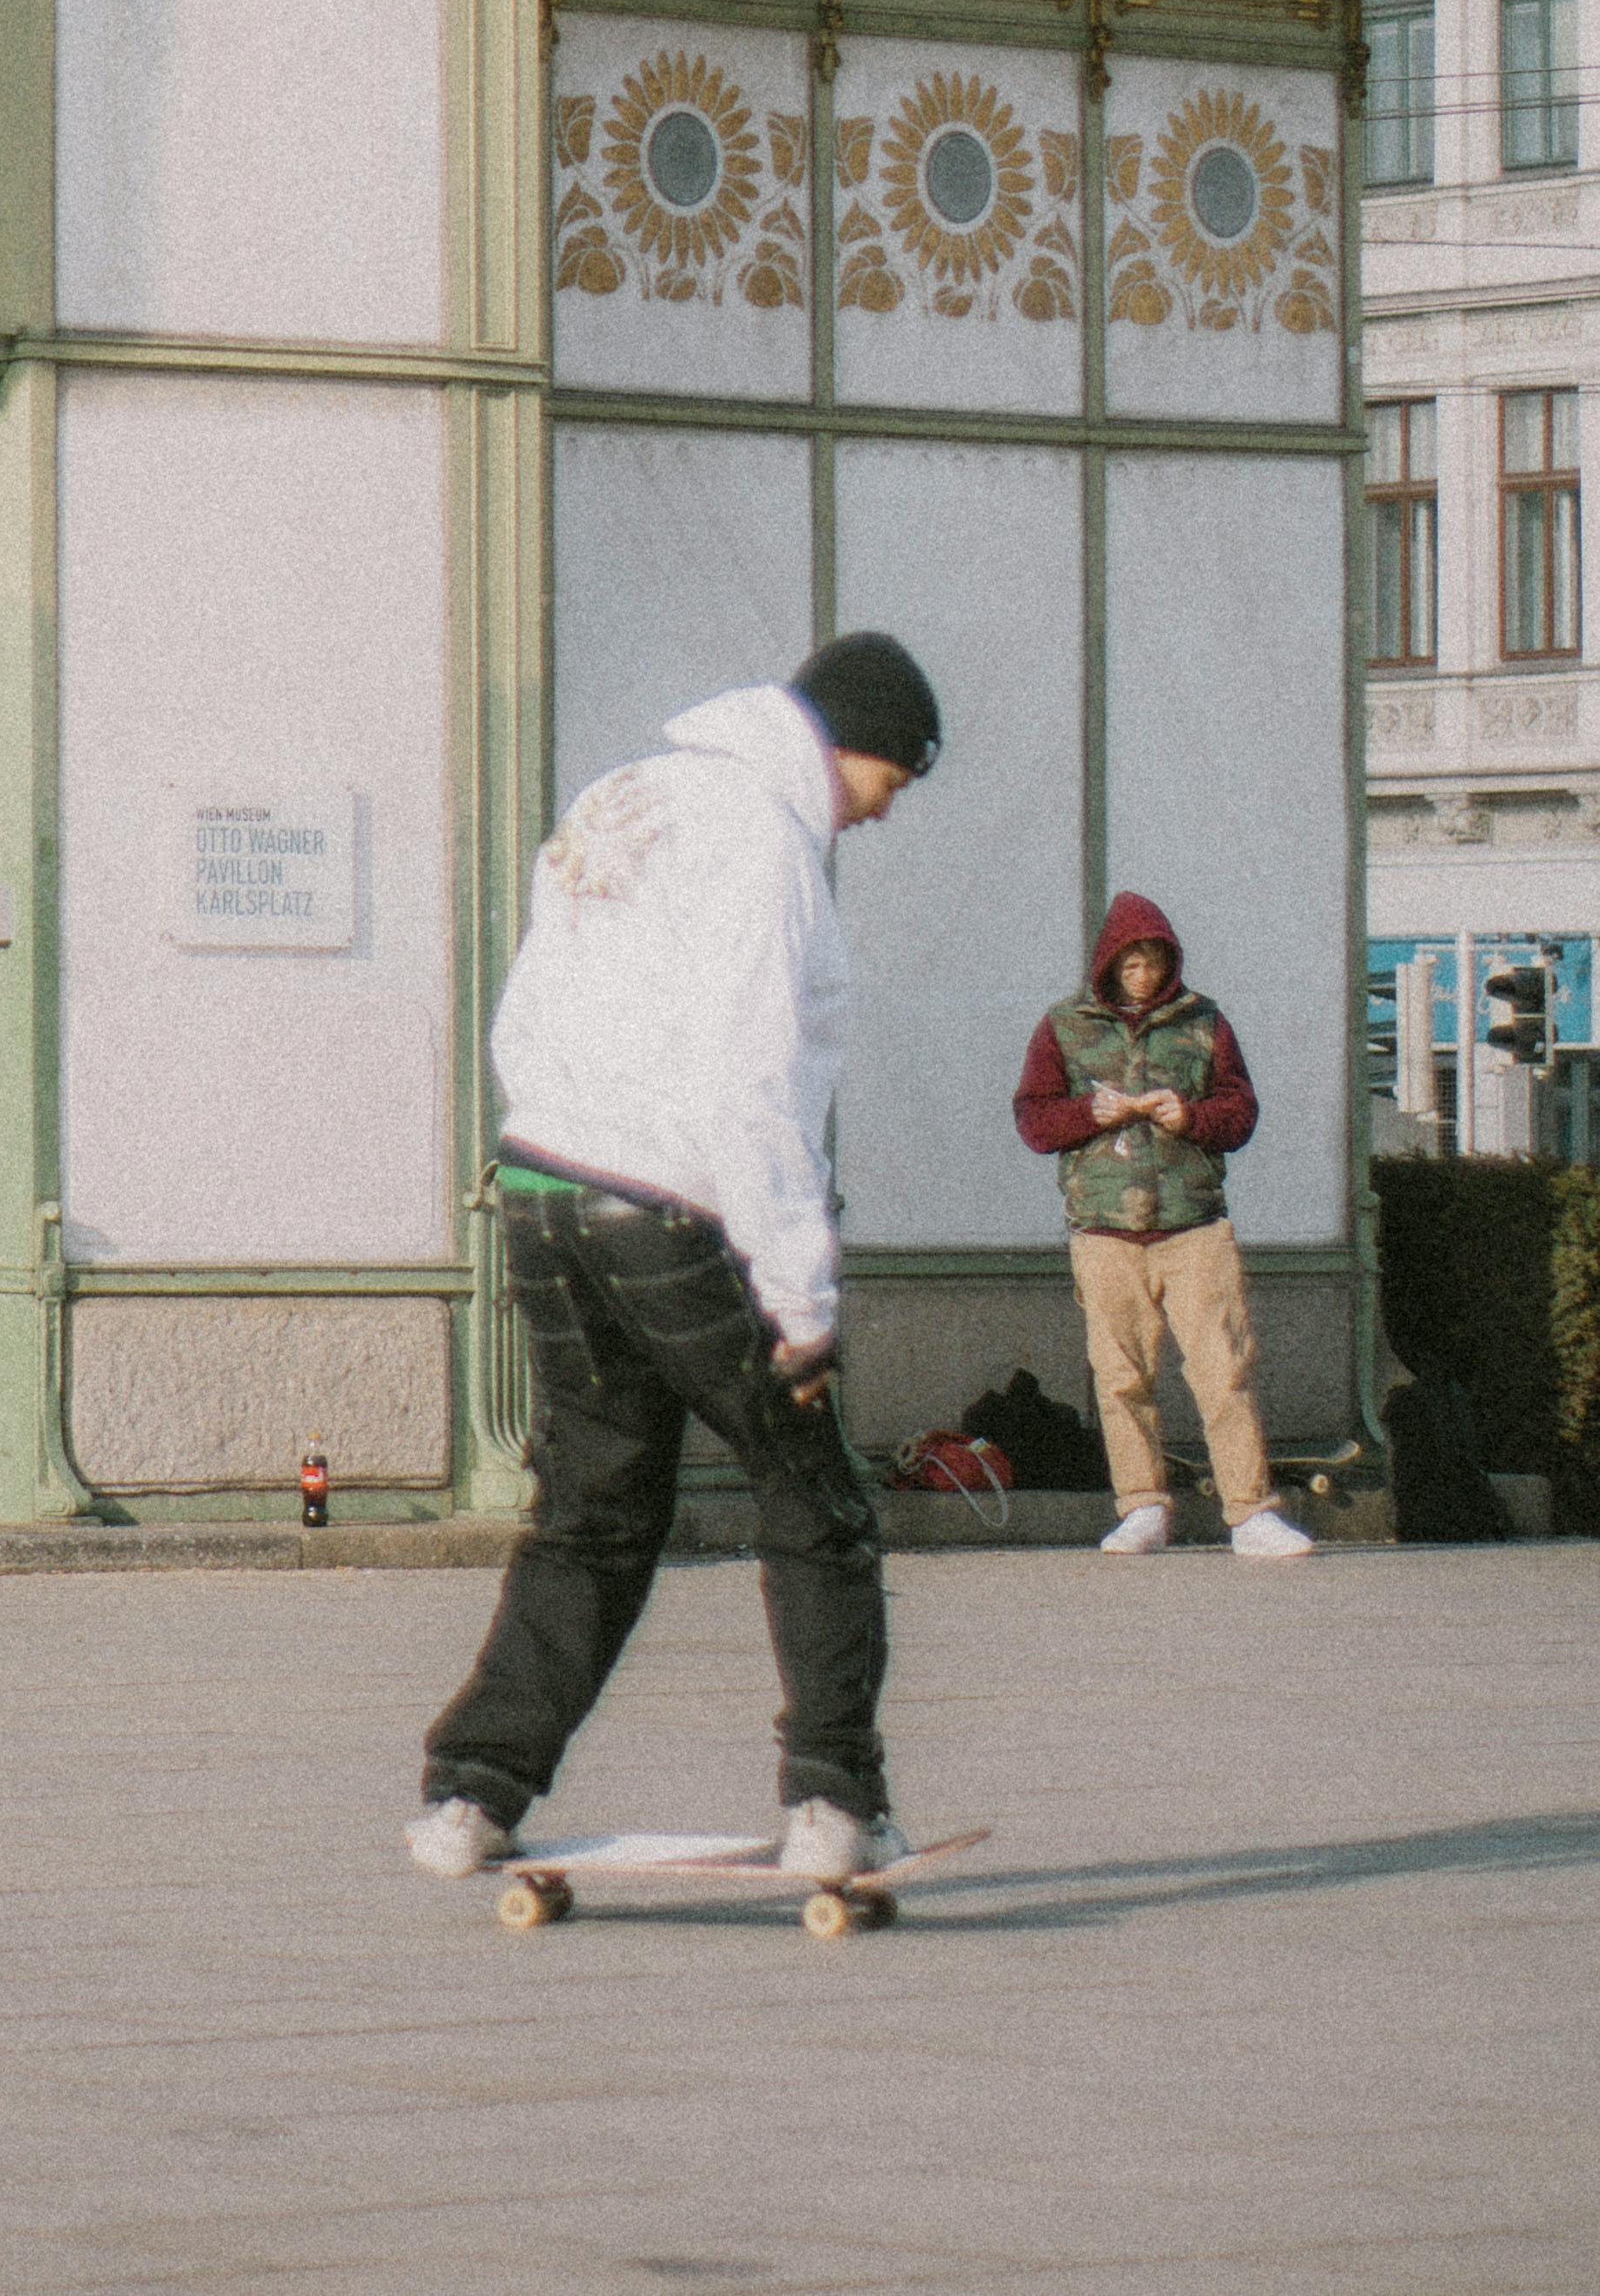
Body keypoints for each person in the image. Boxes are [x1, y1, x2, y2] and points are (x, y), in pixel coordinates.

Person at [408, 630, 943, 1894]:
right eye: (892, 779)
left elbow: (525, 1002)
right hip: (668, 1205)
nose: (880, 810)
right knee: (812, 1492)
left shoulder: (624, 793)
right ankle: (831, 1798)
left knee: (592, 1508)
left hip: (540, 1184)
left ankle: (469, 1796)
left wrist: (546, 1133)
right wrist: (799, 1295)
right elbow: (748, 1077)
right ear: (849, 739)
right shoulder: (762, 838)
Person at [1010, 889, 1312, 1560]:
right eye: (1131, 963)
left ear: (1170, 962)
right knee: (1119, 1377)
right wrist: (1092, 1112)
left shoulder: (1203, 1021)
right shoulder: (1064, 1025)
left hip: (1194, 1225)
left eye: (1153, 962)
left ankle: (1250, 1511)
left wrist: (1191, 1117)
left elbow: (1242, 1110)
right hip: (1103, 1228)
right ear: (1108, 965)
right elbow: (1034, 1118)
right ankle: (1142, 1505)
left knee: (1223, 1370)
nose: (1142, 975)